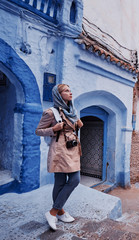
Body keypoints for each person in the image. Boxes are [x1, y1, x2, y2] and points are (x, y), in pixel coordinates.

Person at [35, 84, 83, 231]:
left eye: (70, 89)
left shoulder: (72, 111)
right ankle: (55, 212)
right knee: (65, 181)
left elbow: (73, 127)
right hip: (60, 151)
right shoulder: (50, 113)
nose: (70, 92)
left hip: (72, 149)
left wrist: (79, 125)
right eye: (66, 91)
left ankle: (57, 212)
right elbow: (38, 131)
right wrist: (53, 129)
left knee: (71, 180)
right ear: (58, 95)